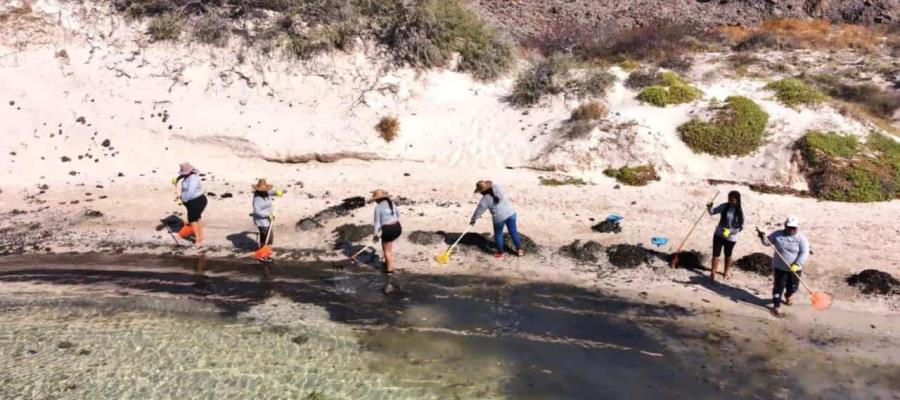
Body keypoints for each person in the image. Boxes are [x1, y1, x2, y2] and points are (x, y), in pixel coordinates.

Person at [758, 216, 810, 317]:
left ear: (797, 228)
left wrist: (797, 264)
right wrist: (762, 236)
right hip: (780, 268)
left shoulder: (801, 238)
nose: (791, 229)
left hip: (795, 269)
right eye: (789, 227)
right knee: (778, 288)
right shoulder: (778, 235)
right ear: (785, 226)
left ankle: (788, 295)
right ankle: (776, 306)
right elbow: (767, 242)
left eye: (793, 228)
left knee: (793, 287)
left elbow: (804, 252)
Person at [470, 180, 522, 259]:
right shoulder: (497, 187)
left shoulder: (484, 200)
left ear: (481, 192)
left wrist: (473, 220)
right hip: (511, 213)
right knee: (513, 231)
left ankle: (501, 253)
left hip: (499, 218)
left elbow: (478, 212)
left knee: (498, 235)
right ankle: (519, 250)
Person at [707, 190, 745, 281]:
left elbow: (742, 226)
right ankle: (713, 272)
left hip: (731, 237)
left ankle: (726, 272)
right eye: (729, 199)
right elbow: (712, 212)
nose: (730, 201)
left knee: (728, 255)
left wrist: (731, 231)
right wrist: (709, 207)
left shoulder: (741, 211)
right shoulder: (724, 206)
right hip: (719, 233)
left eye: (732, 200)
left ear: (737, 200)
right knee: (716, 254)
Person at [173, 162, 207, 246]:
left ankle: (198, 242)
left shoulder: (193, 179)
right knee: (197, 218)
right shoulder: (186, 176)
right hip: (191, 201)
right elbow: (181, 177)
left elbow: (190, 192)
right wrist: (177, 179)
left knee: (192, 220)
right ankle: (201, 237)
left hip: (197, 201)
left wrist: (183, 200)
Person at [250, 178, 284, 261]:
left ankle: (262, 250)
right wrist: (267, 215)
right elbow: (257, 211)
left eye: (265, 189)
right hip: (261, 220)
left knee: (264, 235)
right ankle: (263, 254)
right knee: (268, 237)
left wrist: (277, 193)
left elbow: (270, 193)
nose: (265, 191)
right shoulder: (257, 199)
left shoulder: (265, 193)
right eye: (263, 190)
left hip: (268, 218)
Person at [371, 189, 402, 274]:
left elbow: (377, 223)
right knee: (389, 248)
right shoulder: (391, 203)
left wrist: (375, 235)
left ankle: (389, 272)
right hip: (398, 227)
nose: (375, 201)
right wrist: (389, 224)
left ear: (378, 199)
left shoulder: (378, 207)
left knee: (387, 251)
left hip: (389, 230)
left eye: (375, 200)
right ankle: (388, 263)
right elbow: (398, 215)